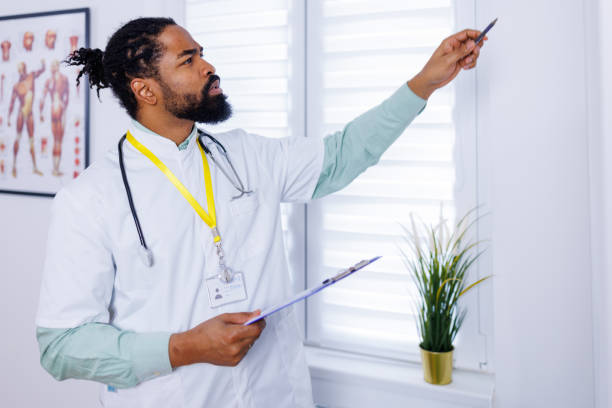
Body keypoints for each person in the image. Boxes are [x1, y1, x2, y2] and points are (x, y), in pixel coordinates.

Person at [35, 17, 485, 408]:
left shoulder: (247, 155)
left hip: (277, 395)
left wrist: (425, 81)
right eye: (188, 60)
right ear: (145, 89)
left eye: (202, 55)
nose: (208, 67)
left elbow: (343, 156)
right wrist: (184, 347)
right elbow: (61, 346)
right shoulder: (90, 199)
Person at [8, 60, 45, 177]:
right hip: (21, 112)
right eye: (20, 69)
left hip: (29, 113)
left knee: (31, 140)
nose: (22, 71)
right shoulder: (16, 86)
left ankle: (34, 167)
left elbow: (41, 71)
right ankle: (13, 166)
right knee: (18, 138)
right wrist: (8, 117)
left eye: (23, 68)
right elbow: (12, 102)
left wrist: (43, 64)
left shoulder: (31, 76)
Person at [40, 60, 69, 176]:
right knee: (57, 140)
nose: (52, 67)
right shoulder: (49, 81)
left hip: (59, 109)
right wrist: (41, 111)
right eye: (51, 65)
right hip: (55, 109)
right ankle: (55, 169)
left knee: (59, 140)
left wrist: (64, 106)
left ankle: (56, 168)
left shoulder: (63, 79)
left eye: (53, 65)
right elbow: (43, 96)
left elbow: (67, 95)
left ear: (57, 67)